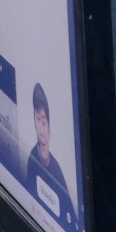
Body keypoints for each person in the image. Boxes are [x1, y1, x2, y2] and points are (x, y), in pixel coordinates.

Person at [25, 82, 75, 223]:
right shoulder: (32, 160)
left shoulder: (57, 170)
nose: (41, 131)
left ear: (49, 127)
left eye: (44, 122)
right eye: (38, 119)